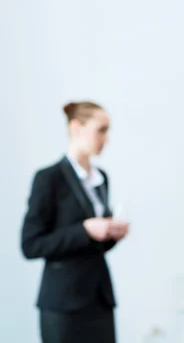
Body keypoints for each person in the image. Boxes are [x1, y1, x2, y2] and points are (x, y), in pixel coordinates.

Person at [21, 101, 129, 343]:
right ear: (77, 127)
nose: (107, 139)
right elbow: (30, 245)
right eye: (101, 130)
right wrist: (84, 230)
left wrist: (111, 234)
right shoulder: (48, 179)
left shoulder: (101, 179)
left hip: (99, 300)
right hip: (63, 304)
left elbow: (94, 245)